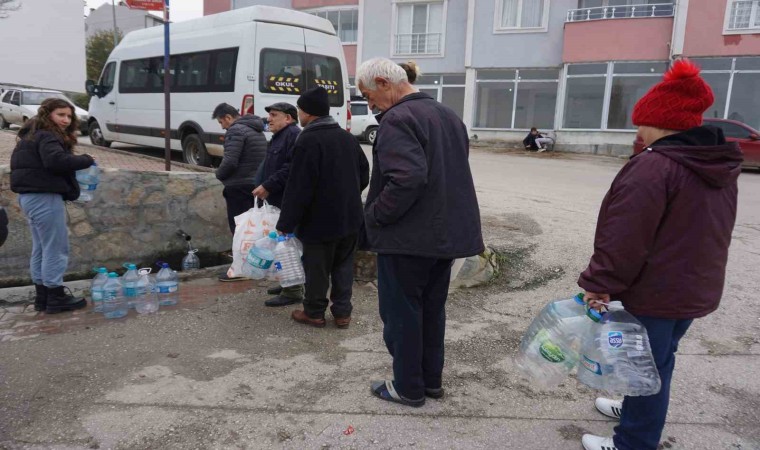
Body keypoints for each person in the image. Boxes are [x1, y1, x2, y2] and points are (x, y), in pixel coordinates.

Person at [577, 59, 743, 450]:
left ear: (659, 121)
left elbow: (624, 237)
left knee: (648, 367)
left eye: (642, 121)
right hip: (690, 288)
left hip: (656, 291)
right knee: (656, 361)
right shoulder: (715, 162)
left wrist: (599, 284)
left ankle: (633, 442)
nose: (638, 130)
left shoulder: (655, 166)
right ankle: (635, 410)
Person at [355, 58, 484, 407]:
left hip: (409, 238)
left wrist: (377, 216)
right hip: (444, 237)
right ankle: (430, 382)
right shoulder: (447, 114)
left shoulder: (398, 118)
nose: (370, 106)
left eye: (369, 96)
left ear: (383, 82)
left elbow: (408, 178)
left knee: (402, 314)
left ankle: (408, 387)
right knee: (430, 311)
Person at [275, 87, 369, 329]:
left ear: (308, 112)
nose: (298, 115)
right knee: (343, 267)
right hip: (350, 218)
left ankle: (314, 313)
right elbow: (364, 173)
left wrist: (285, 223)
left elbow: (298, 188)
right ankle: (342, 314)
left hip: (319, 221)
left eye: (299, 110)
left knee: (317, 268)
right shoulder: (347, 138)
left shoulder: (307, 140)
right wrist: (346, 195)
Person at [10, 98, 96, 314]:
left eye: (69, 116)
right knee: (56, 248)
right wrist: (86, 159)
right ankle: (55, 296)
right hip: (44, 197)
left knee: (41, 247)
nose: (66, 120)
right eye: (61, 115)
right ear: (48, 114)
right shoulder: (48, 135)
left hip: (29, 197)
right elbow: (55, 161)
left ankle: (43, 297)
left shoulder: (30, 135)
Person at [252, 102, 305, 307]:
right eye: (269, 115)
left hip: (286, 200)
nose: (269, 119)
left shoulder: (293, 135)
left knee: (288, 247)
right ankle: (287, 283)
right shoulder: (279, 136)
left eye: (274, 115)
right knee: (280, 245)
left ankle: (293, 291)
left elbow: (291, 168)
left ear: (288, 118)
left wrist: (268, 185)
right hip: (277, 200)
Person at [212, 103, 267, 282]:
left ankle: (240, 270)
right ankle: (254, 266)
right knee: (252, 229)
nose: (222, 126)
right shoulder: (256, 129)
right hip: (255, 184)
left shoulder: (236, 131)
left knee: (239, 230)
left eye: (222, 122)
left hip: (238, 185)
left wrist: (218, 175)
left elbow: (230, 162)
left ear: (228, 117)